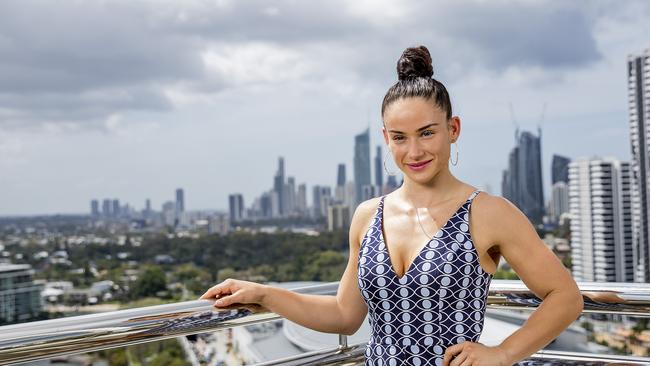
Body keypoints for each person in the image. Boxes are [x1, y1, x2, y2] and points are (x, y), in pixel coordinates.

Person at [201, 45, 584, 366]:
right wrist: (265, 294)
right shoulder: (368, 215)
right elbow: (345, 316)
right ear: (386, 138)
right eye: (400, 137)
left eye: (427, 133)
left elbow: (565, 296)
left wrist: (502, 353)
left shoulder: (488, 213)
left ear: (453, 130)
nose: (414, 151)